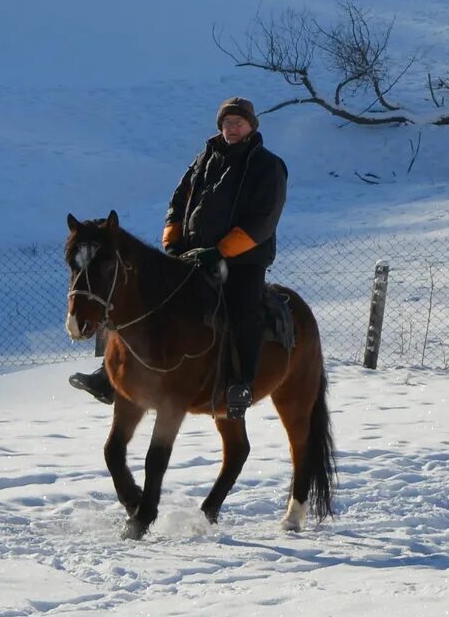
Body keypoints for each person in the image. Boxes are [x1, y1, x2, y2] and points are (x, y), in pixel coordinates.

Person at [70, 97, 288, 414]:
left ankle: (241, 384)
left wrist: (221, 251)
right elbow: (178, 202)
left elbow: (264, 219)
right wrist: (172, 242)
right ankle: (110, 376)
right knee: (144, 301)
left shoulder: (268, 165)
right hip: (195, 255)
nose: (232, 128)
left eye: (238, 123)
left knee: (243, 309)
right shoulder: (205, 158)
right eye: (227, 123)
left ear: (251, 126)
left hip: (243, 259)